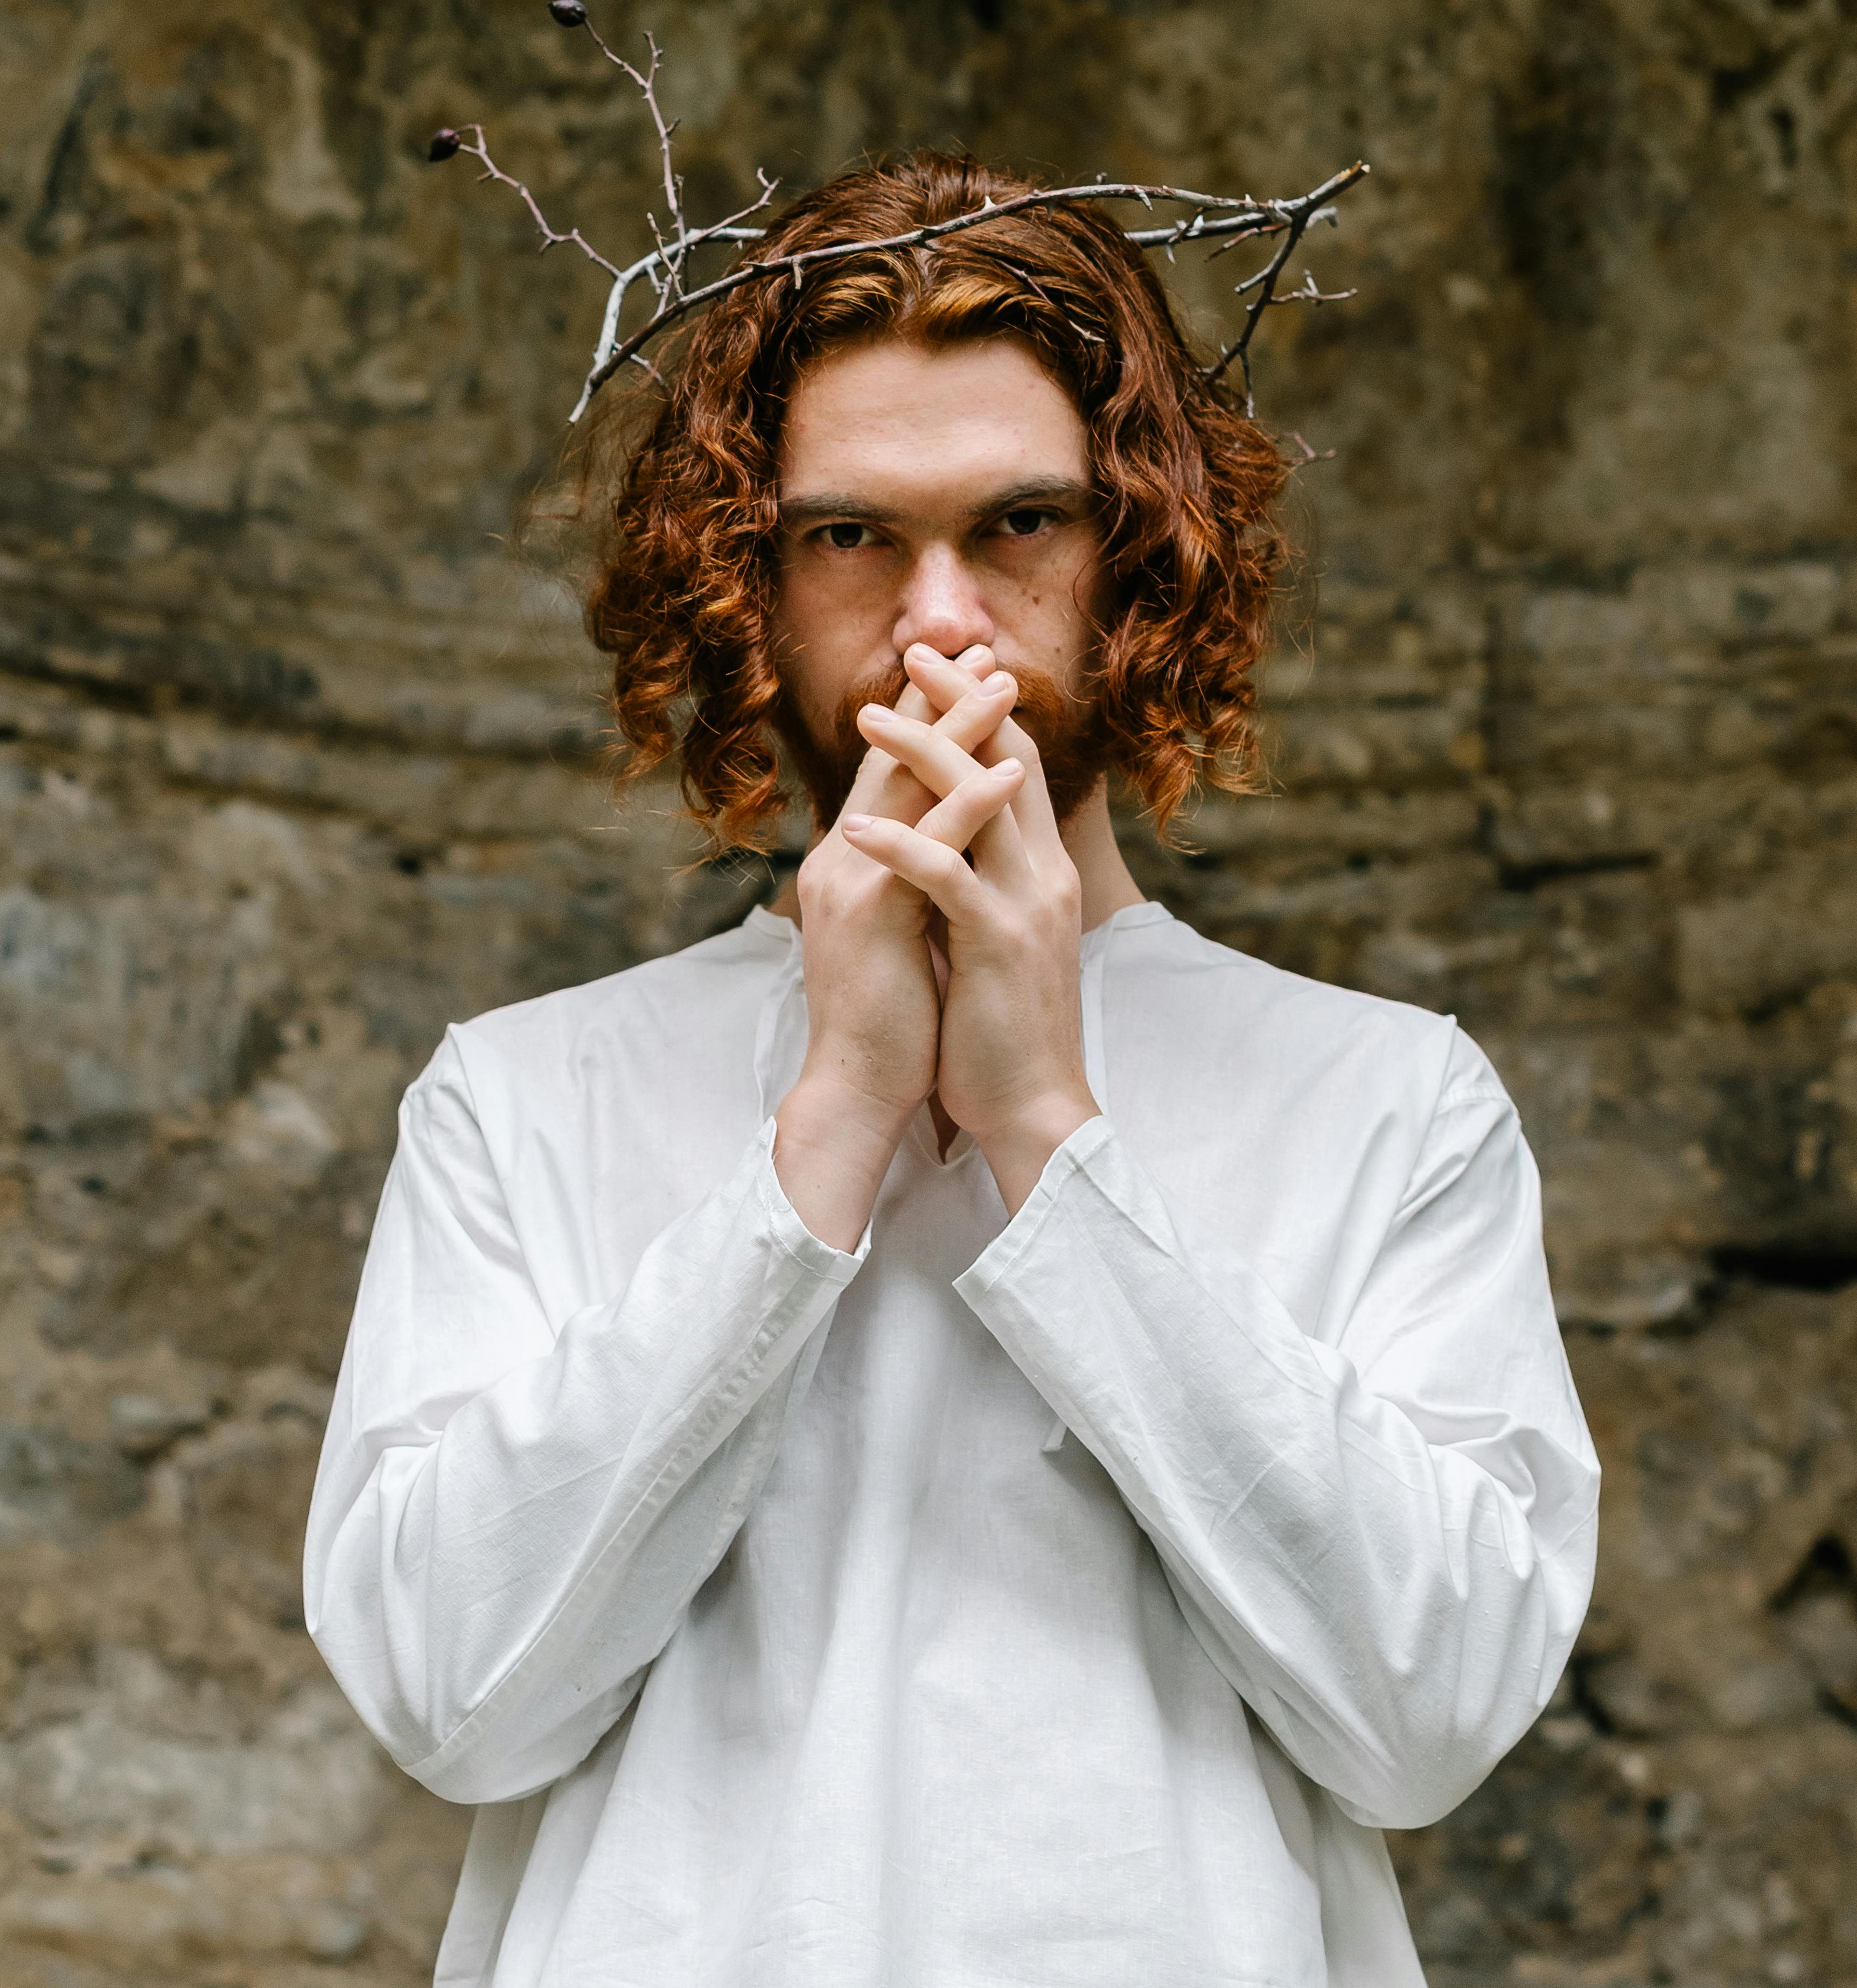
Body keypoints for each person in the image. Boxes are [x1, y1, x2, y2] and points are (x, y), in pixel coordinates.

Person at [304, 154, 1598, 1988]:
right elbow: (453, 1699)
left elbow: (1429, 1717)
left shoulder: (1391, 1103)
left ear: (1136, 556)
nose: (938, 623)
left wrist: (1050, 1138)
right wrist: (825, 1127)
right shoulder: (521, 1101)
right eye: (850, 537)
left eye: (1016, 529)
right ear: (744, 579)